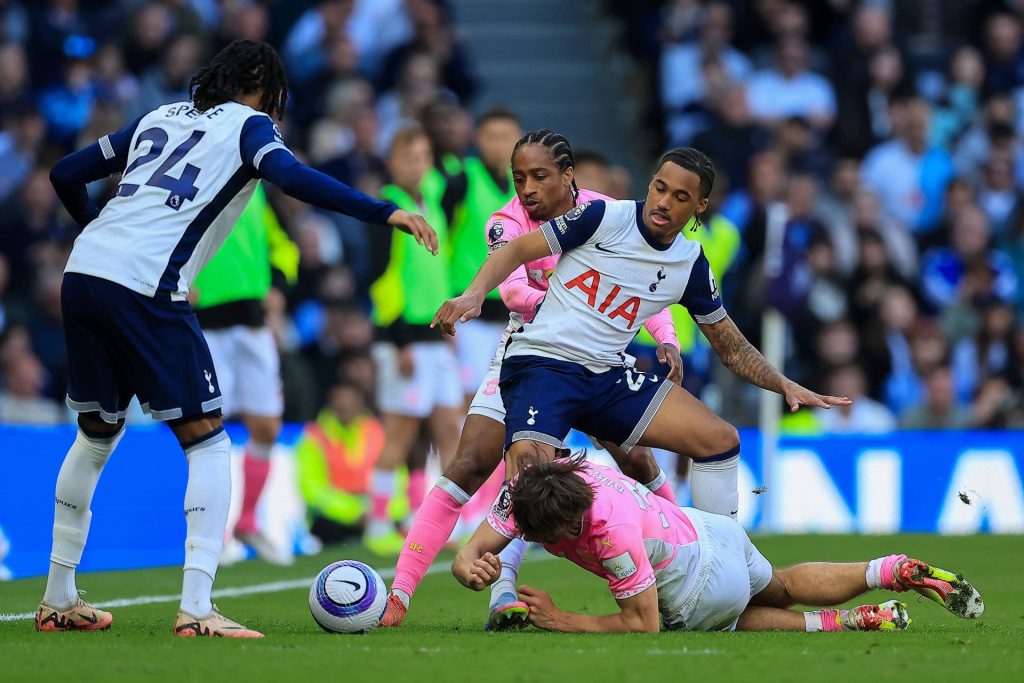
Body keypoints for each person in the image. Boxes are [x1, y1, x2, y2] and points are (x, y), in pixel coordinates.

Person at [39, 39, 436, 638]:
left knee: (95, 437)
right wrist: (385, 211)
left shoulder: (156, 116)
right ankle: (198, 610)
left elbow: (65, 172)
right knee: (208, 443)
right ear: (262, 90)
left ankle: (57, 598)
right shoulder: (249, 126)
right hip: (147, 286)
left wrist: (96, 229)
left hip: (84, 274)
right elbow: (293, 178)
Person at [433, 146, 847, 525]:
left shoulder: (690, 264)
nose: (664, 203)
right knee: (528, 483)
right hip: (544, 365)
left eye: (680, 197)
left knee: (720, 440)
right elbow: (516, 249)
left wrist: (782, 383)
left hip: (606, 374)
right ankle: (493, 572)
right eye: (660, 188)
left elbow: (731, 347)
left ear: (700, 205)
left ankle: (720, 554)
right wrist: (474, 294)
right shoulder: (603, 216)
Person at [381, 130, 684, 628]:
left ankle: (694, 544)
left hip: (597, 358)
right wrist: (576, 307)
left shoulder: (608, 213)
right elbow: (514, 292)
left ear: (568, 175)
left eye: (538, 176)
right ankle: (401, 596)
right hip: (528, 356)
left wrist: (666, 336)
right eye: (519, 177)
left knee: (637, 459)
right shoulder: (504, 224)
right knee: (479, 465)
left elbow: (642, 281)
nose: (526, 188)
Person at [454, 455, 984, 632]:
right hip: (710, 530)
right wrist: (468, 567)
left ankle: (845, 622)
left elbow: (642, 624)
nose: (527, 538)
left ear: (569, 524)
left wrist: (562, 618)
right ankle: (888, 570)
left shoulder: (609, 535)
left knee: (734, 618)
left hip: (699, 583)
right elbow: (473, 551)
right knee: (781, 584)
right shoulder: (547, 482)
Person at [192, 185, 299, 567]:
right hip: (204, 326)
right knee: (206, 429)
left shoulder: (259, 189)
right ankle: (213, 531)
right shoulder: (193, 183)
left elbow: (285, 246)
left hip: (253, 324)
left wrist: (279, 286)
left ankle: (248, 522)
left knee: (267, 426)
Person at [365, 126, 460, 555]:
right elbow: (381, 278)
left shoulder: (431, 199)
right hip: (403, 338)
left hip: (436, 335)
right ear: (391, 163)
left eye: (422, 156)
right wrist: (400, 339)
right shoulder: (387, 209)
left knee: (448, 431)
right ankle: (378, 523)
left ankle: (439, 520)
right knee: (400, 436)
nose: (415, 165)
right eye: (406, 157)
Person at [296, 381, 385, 543]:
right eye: (339, 400)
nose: (344, 405)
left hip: (375, 515)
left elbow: (394, 478)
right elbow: (313, 490)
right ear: (330, 403)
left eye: (349, 400)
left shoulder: (375, 432)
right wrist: (355, 513)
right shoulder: (314, 436)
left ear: (360, 403)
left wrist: (379, 512)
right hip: (333, 521)